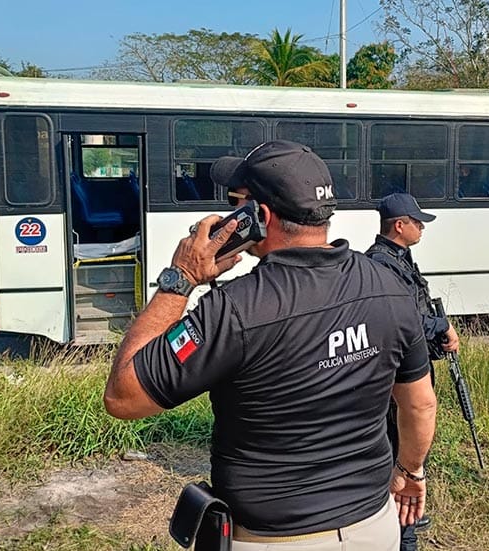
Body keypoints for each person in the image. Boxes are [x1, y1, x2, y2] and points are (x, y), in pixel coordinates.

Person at [104, 140, 437, 550]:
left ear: (258, 216)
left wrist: (181, 278)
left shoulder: (233, 310)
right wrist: (411, 471)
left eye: (236, 203)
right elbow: (420, 404)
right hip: (374, 527)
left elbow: (124, 397)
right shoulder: (389, 286)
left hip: (273, 539)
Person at [364, 193, 460, 551]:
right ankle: (403, 532)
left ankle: (405, 519)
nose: (422, 227)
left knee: (409, 447)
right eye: (417, 222)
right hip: (397, 379)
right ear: (399, 225)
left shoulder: (398, 259)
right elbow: (405, 320)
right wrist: (442, 326)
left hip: (408, 370)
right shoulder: (382, 264)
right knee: (401, 452)